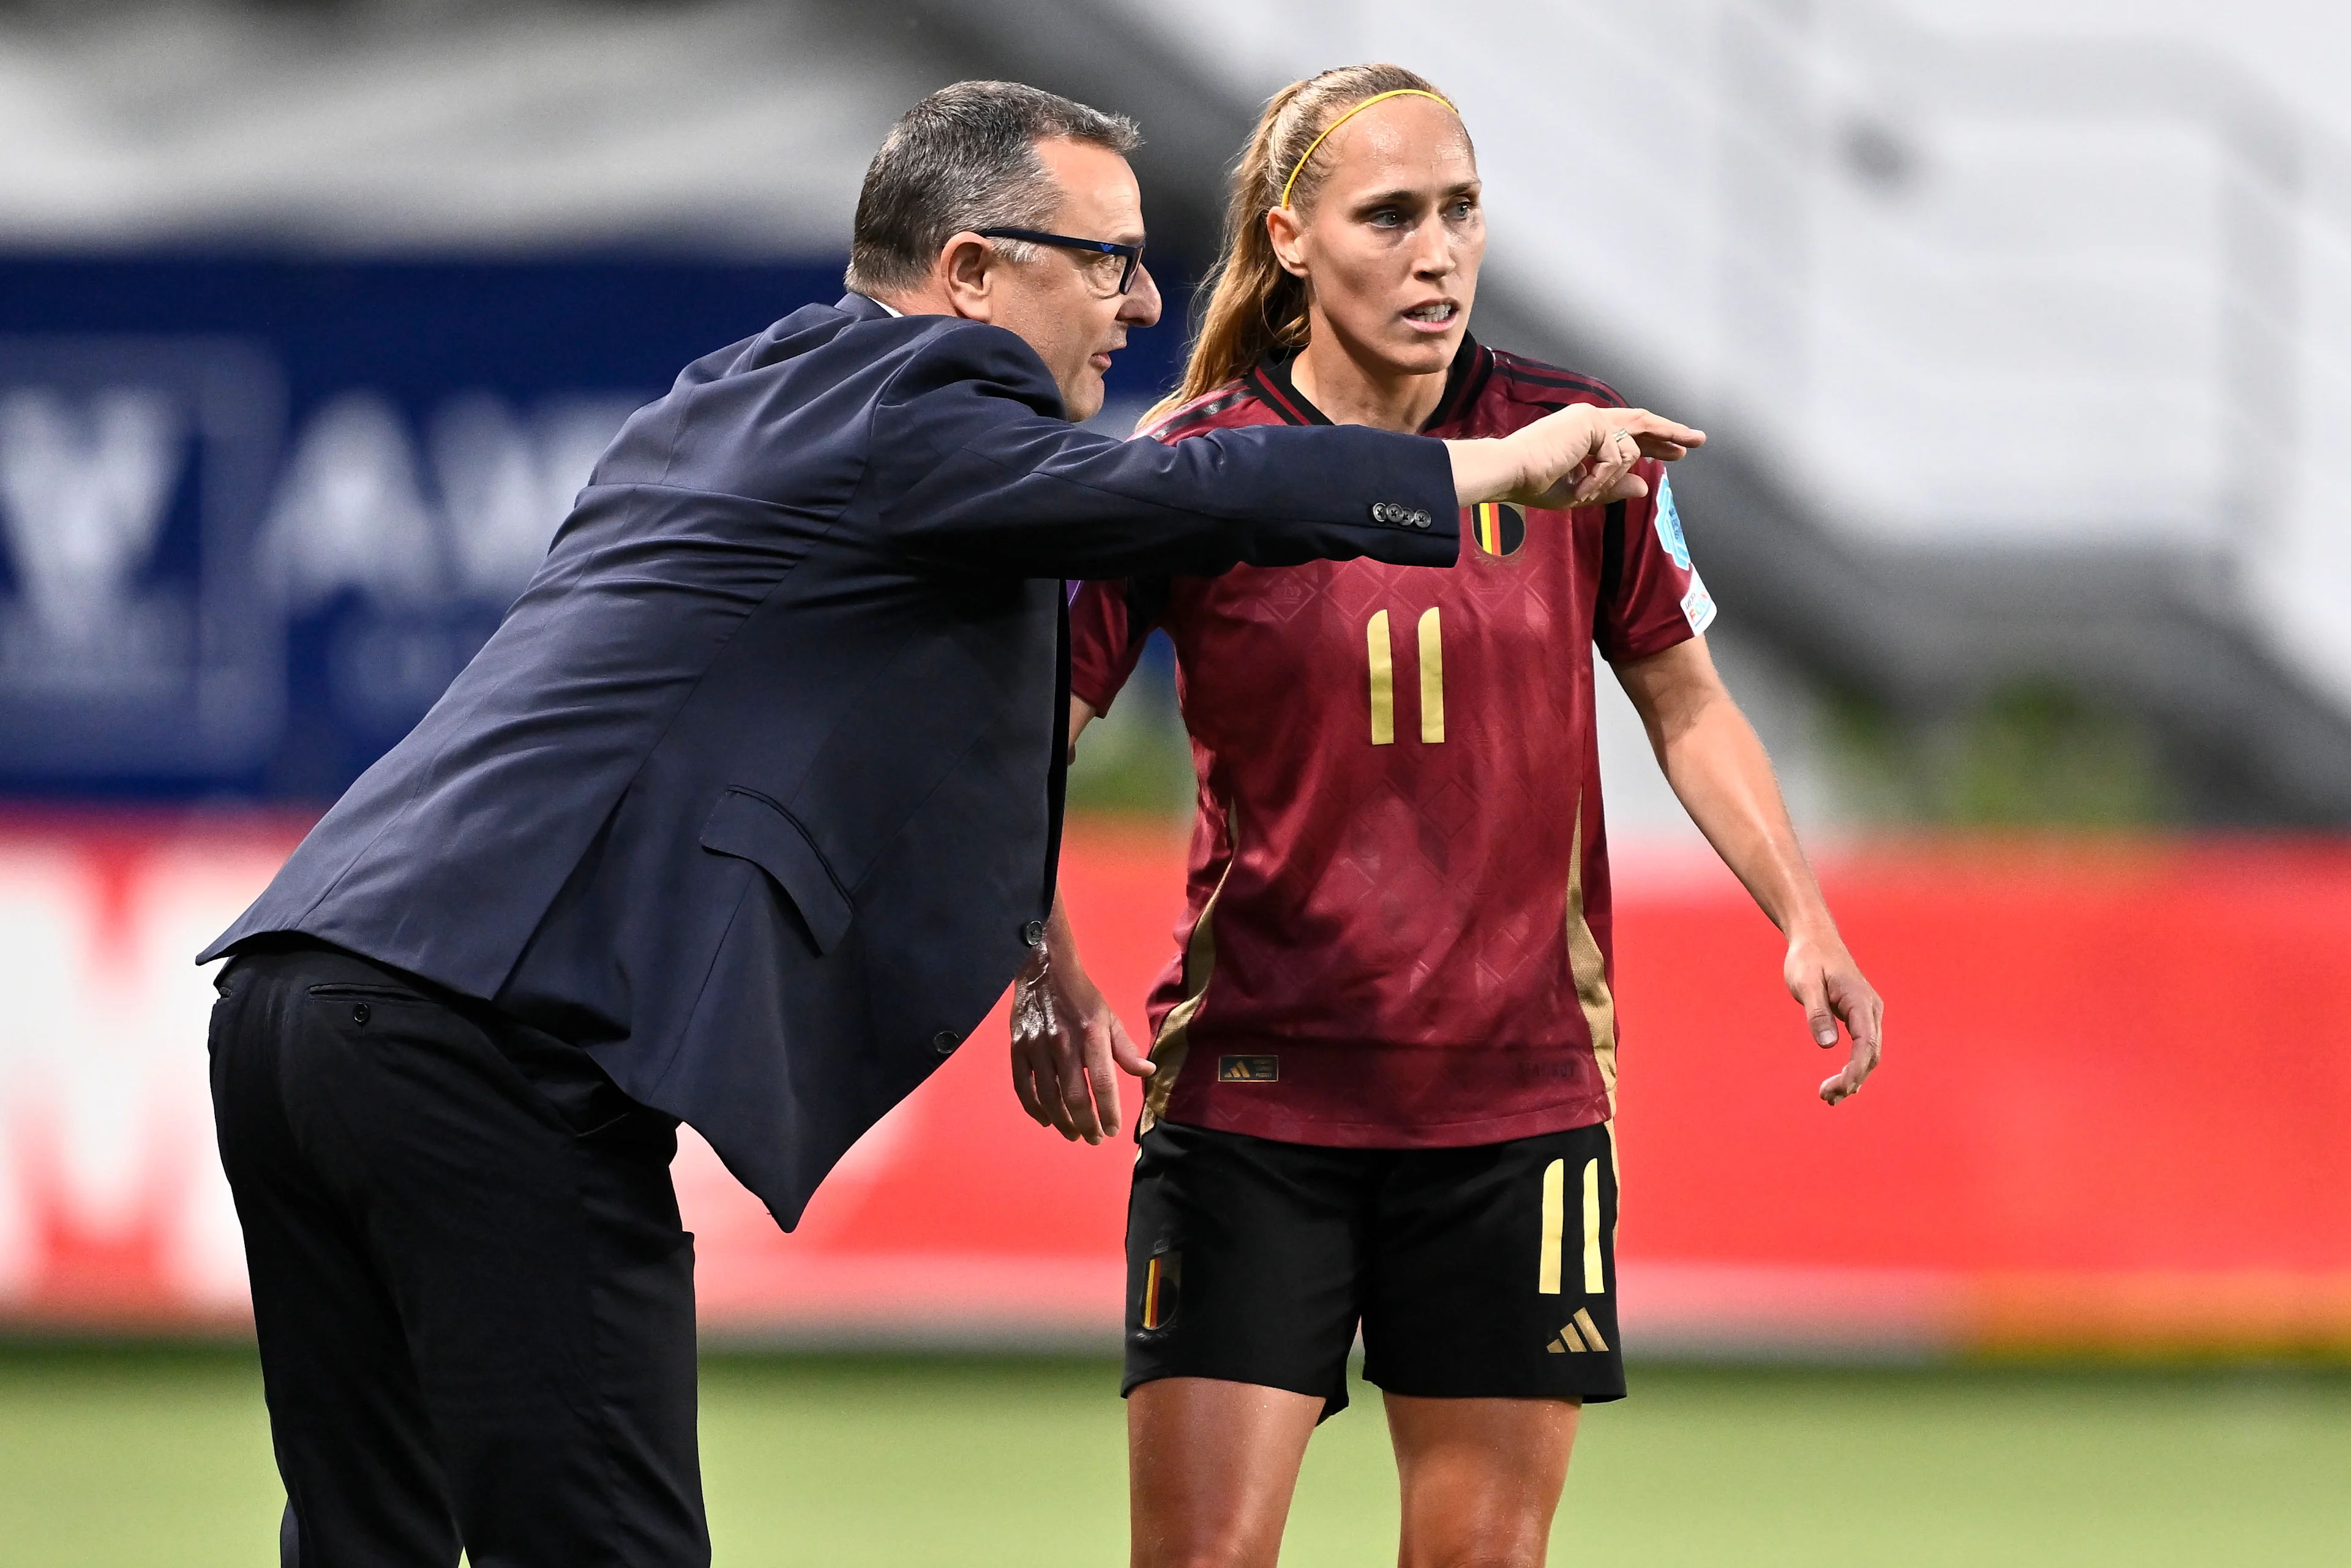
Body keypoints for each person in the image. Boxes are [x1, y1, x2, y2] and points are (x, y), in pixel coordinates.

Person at [197, 79, 1702, 1567]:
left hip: (300, 988)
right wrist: (1479, 467)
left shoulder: (746, 382)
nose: (1138, 300)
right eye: (1104, 259)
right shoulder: (932, 396)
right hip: (488, 1041)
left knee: (364, 1536)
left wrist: (1023, 938)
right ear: (971, 273)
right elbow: (1192, 493)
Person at [1010, 64, 1883, 1568]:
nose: (1438, 252)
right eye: (1392, 215)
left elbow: (1686, 698)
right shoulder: (1192, 471)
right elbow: (1025, 738)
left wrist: (1804, 911)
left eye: (1461, 211)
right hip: (1252, 1100)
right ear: (1289, 240)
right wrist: (1042, 953)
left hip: (1516, 1108)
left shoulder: (1581, 445)